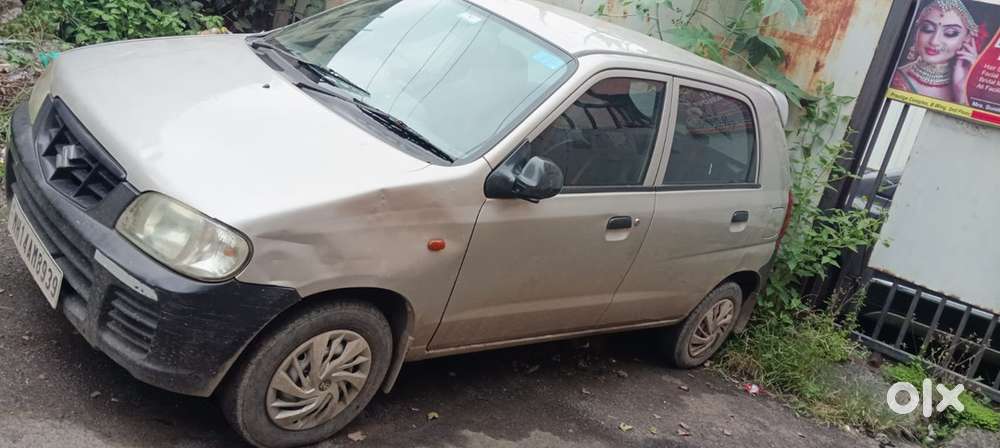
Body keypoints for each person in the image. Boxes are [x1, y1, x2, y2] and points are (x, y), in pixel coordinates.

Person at [892, 0, 981, 104]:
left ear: (968, 38)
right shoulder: (894, 79)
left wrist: (962, 89)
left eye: (950, 33)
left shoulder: (968, 87)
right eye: (927, 29)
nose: (934, 41)